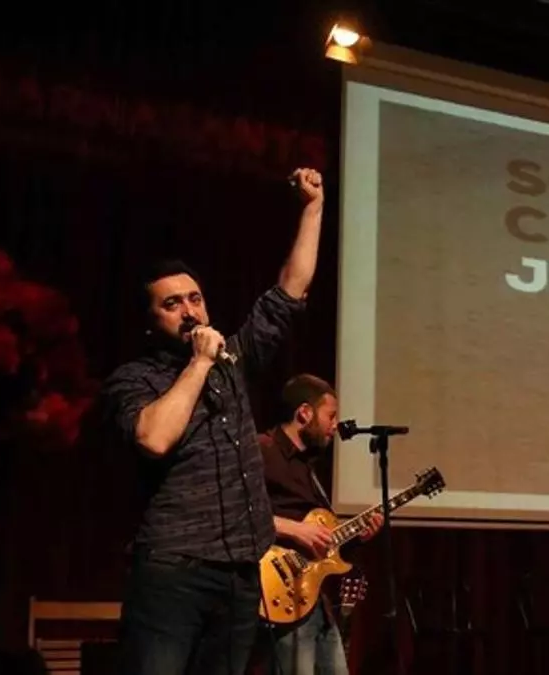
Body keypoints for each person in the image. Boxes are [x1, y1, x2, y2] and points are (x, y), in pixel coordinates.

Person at [101, 168, 326, 675]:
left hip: (240, 574)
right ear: (150, 321)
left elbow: (290, 291)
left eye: (195, 299)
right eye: (171, 304)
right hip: (173, 573)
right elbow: (154, 439)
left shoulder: (234, 361)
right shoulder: (134, 379)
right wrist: (200, 362)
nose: (189, 311)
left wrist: (313, 207)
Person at [258, 374, 382, 675]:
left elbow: (321, 544)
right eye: (330, 415)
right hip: (281, 594)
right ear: (304, 413)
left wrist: (357, 537)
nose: (335, 425)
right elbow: (237, 513)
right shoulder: (262, 451)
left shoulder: (308, 467)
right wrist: (294, 529)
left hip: (315, 600)